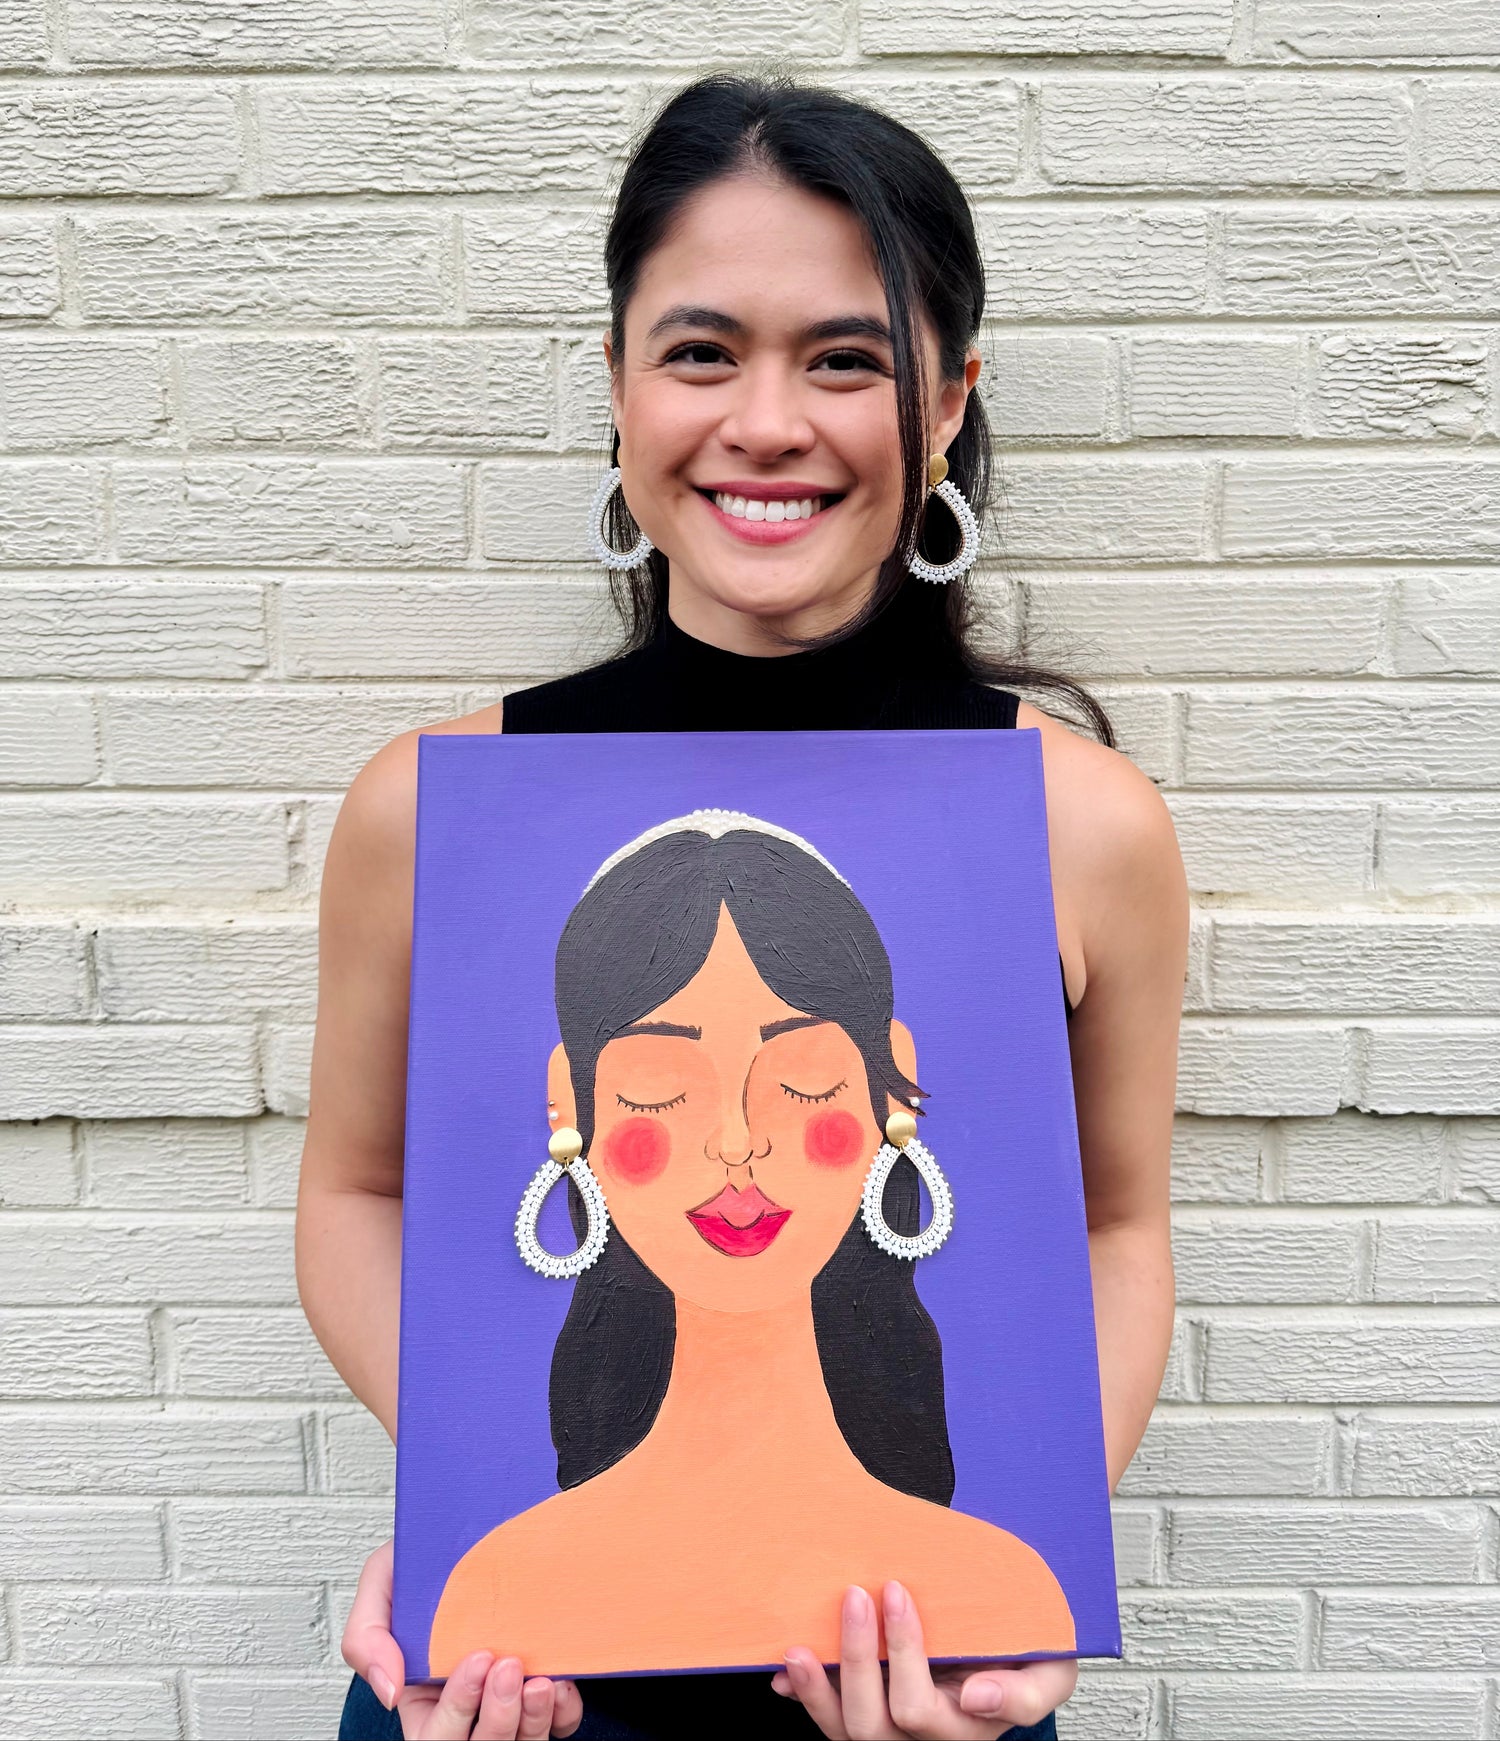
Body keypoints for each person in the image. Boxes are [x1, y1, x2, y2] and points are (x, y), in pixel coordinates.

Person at [298, 70, 1186, 1741]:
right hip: (515, 1684)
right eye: (701, 352)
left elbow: (1118, 1227)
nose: (766, 422)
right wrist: (482, 1485)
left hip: (928, 1680)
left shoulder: (1084, 826)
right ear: (619, 386)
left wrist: (1021, 1564)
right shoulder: (427, 807)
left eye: (845, 359)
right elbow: (353, 1191)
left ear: (947, 400)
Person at [428, 814, 1077, 1677]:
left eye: (803, 1079)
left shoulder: (1001, 1592)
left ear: (892, 1087)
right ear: (572, 1108)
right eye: (659, 1088)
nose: (737, 1141)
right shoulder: (494, 1597)